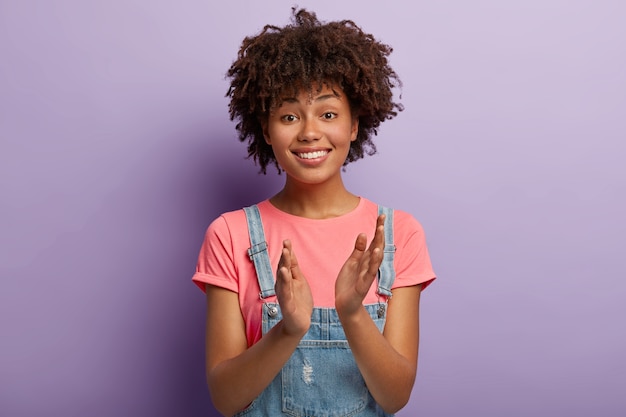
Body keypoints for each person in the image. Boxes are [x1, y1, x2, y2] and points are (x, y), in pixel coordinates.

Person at [192, 8, 436, 417]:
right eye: (289, 116)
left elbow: (395, 397)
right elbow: (225, 398)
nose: (309, 131)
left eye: (328, 114)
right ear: (266, 129)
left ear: (354, 125)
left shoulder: (396, 234)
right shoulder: (230, 234)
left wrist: (353, 313)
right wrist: (288, 329)